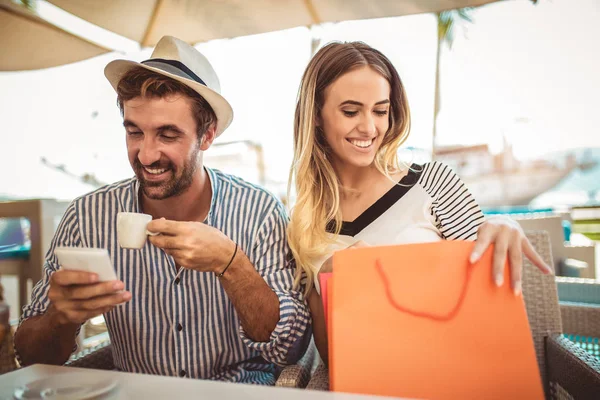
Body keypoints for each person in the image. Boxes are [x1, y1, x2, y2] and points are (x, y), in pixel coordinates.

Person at [14, 36, 311, 384]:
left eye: (167, 135)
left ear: (207, 135)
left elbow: (290, 350)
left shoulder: (258, 211)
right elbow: (29, 356)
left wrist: (231, 264)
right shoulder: (87, 218)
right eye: (134, 132)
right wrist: (59, 318)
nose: (145, 154)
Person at [286, 41, 552, 363]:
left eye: (380, 111)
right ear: (316, 115)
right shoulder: (304, 223)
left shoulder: (432, 182)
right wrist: (329, 286)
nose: (369, 127)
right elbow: (332, 359)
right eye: (350, 111)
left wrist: (502, 222)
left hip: (455, 372)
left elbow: (489, 301)